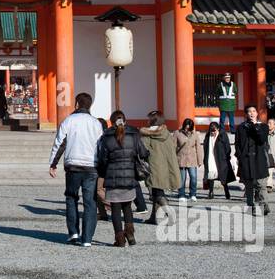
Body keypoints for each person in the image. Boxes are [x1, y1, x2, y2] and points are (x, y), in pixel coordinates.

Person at [48, 93, 103, 245]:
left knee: (71, 198)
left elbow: (60, 143)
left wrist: (53, 163)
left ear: (77, 104)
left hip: (73, 165)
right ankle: (87, 238)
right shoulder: (96, 123)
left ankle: (73, 233)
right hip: (91, 166)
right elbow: (101, 146)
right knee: (90, 202)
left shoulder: (69, 121)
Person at [95, 111, 149, 247]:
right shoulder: (134, 134)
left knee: (115, 208)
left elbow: (102, 159)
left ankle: (119, 238)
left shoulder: (106, 137)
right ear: (125, 120)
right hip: (130, 175)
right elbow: (143, 153)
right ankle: (130, 233)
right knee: (127, 206)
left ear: (112, 122)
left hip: (112, 177)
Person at [139, 112, 178, 225]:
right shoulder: (166, 134)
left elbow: (143, 151)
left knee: (158, 193)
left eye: (148, 119)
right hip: (166, 167)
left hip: (153, 167)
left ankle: (171, 215)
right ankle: (154, 217)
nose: (147, 121)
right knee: (156, 193)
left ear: (152, 120)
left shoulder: (147, 134)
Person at [234, 104, 270, 216]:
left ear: (257, 113)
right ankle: (251, 206)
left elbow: (262, 140)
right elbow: (238, 144)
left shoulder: (263, 126)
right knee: (249, 186)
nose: (251, 113)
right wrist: (240, 156)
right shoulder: (241, 127)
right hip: (246, 160)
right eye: (249, 111)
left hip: (259, 160)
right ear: (246, 114)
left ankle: (263, 206)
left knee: (261, 185)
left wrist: (256, 126)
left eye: (254, 111)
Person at [200, 120, 234, 199]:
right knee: (211, 175)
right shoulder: (208, 136)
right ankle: (211, 192)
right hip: (211, 158)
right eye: (211, 131)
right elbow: (205, 147)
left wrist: (227, 156)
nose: (213, 133)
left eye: (214, 131)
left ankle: (226, 192)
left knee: (223, 176)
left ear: (218, 129)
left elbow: (227, 147)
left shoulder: (223, 135)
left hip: (221, 159)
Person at [174, 118, 202, 202]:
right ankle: (181, 194)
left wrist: (200, 160)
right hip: (181, 159)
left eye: (189, 128)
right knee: (182, 179)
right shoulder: (177, 133)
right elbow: (173, 147)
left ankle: (193, 194)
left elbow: (198, 148)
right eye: (186, 127)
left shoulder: (195, 134)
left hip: (192, 159)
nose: (187, 129)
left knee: (193, 177)